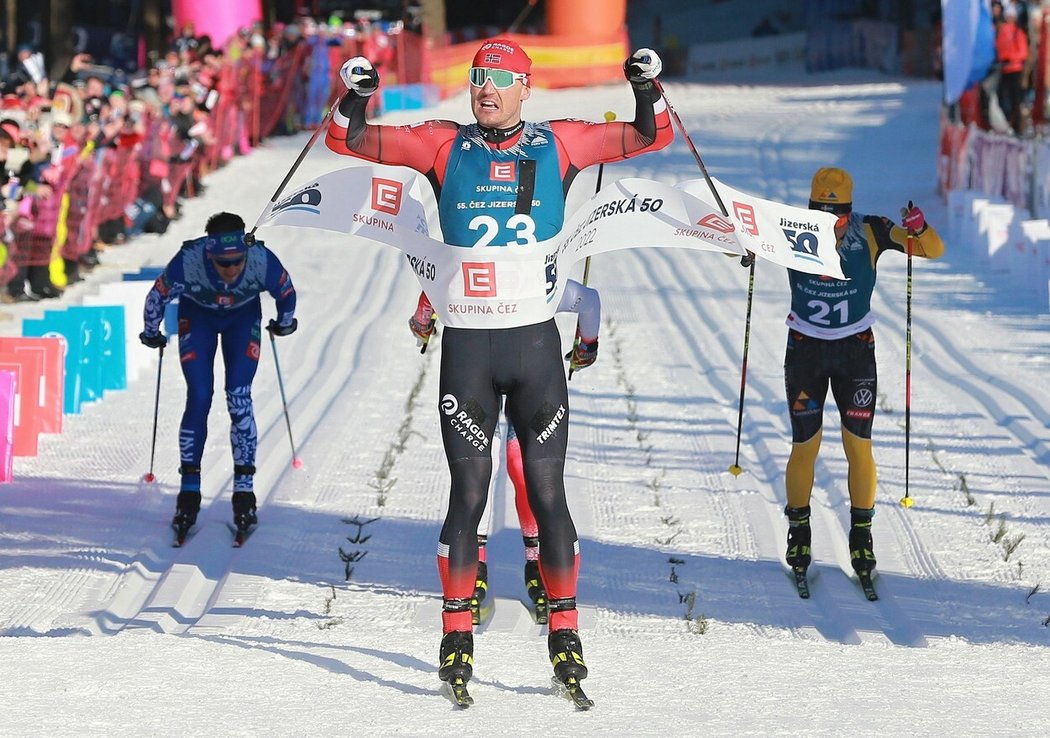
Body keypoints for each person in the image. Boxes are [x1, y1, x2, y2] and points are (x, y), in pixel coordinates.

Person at [328, 38, 670, 693]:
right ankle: (456, 640)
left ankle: (565, 633)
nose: (486, 89)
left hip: (535, 347)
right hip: (470, 351)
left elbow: (647, 137)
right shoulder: (440, 145)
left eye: (501, 79)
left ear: (525, 87)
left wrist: (644, 84)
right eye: (478, 78)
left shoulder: (560, 142)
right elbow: (347, 139)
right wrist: (359, 90)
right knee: (469, 496)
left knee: (548, 495)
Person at [781, 168, 944, 583]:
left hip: (855, 352)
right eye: (820, 212)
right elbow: (737, 247)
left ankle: (862, 534)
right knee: (805, 444)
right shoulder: (788, 229)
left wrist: (919, 227)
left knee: (859, 446)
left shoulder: (871, 230)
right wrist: (738, 244)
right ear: (809, 206)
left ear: (848, 211)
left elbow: (932, 250)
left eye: (836, 214)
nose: (828, 223)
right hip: (806, 351)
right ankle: (799, 530)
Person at [410, 278, 602, 625]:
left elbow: (430, 294)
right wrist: (586, 346)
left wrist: (422, 325)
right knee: (522, 465)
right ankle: (536, 566)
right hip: (532, 359)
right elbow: (588, 300)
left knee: (481, 471)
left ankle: (480, 567)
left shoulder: (464, 268)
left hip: (471, 360)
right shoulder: (536, 267)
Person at [139, 212, 297, 542]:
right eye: (223, 263)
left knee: (238, 396)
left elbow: (286, 292)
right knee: (199, 395)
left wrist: (285, 322)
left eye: (237, 261)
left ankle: (244, 491)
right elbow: (157, 295)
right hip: (198, 317)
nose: (232, 269)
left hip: (242, 319)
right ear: (209, 254)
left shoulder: (259, 259)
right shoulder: (189, 259)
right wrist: (151, 331)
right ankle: (189, 492)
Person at [995, 3, 1029, 135]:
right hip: (1004, 70)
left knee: (1016, 99)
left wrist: (1010, 58)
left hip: (1015, 69)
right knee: (1003, 98)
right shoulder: (1002, 31)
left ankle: (1017, 125)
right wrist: (1003, 59)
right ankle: (1008, 122)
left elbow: (1023, 52)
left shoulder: (1017, 31)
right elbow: (998, 47)